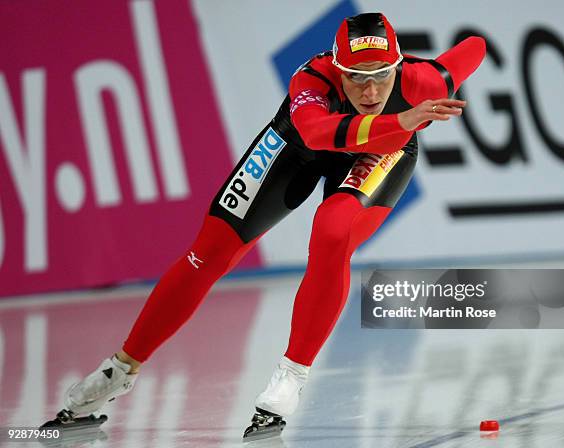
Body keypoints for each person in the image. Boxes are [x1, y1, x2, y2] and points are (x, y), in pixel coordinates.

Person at [44, 12, 486, 439]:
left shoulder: (423, 79)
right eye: (355, 76)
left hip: (378, 153)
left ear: (398, 64)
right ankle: (121, 369)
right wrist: (403, 120)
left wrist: (415, 108)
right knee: (208, 252)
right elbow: (315, 133)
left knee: (332, 233)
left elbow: (474, 48)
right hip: (297, 144)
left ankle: (291, 375)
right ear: (337, 68)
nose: (369, 89)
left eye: (380, 75)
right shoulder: (311, 79)